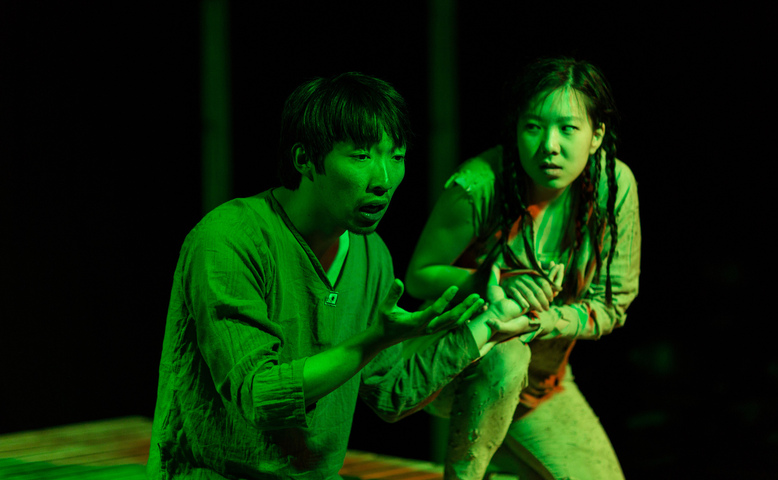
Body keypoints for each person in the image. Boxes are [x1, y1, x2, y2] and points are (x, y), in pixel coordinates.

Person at [146, 72, 537, 480]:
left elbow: (391, 392)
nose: (384, 180)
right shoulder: (228, 239)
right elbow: (260, 396)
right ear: (304, 159)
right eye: (362, 156)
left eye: (397, 156)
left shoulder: (371, 254)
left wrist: (486, 327)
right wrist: (373, 339)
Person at [405, 58, 641, 479]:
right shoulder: (480, 185)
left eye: (568, 128)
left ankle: (506, 456)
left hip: (541, 380)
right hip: (456, 364)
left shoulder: (613, 187)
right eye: (533, 126)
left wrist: (546, 320)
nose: (549, 145)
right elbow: (419, 274)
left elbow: (611, 303)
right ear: (516, 128)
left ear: (596, 135)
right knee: (505, 357)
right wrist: (492, 280)